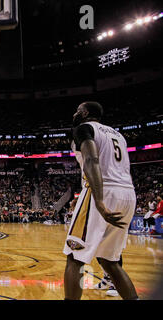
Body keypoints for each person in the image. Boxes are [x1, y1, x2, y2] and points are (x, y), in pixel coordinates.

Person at [63, 101, 138, 300]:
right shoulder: (118, 135)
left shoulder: (84, 129)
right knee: (110, 261)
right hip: (127, 193)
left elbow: (92, 160)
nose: (74, 114)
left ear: (85, 113)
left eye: (78, 110)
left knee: (74, 257)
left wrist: (99, 200)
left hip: (102, 191)